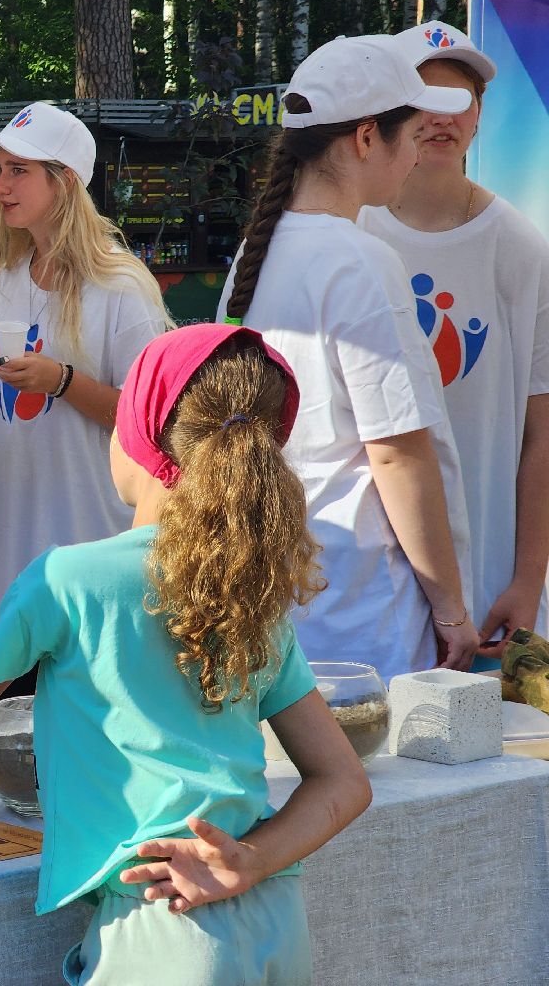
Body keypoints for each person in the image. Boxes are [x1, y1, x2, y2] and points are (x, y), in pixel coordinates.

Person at [0, 324, 371, 986]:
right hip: (275, 922)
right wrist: (249, 859)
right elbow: (344, 781)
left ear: (137, 437)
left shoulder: (67, 580)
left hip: (160, 924)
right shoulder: (250, 600)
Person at [216, 34, 477, 681]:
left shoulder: (257, 252)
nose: (418, 154)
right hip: (364, 613)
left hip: (276, 600)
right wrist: (449, 607)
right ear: (366, 139)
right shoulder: (362, 260)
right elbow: (396, 451)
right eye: (412, 134)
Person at [0, 102, 172, 695]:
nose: (0, 185)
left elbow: (156, 423)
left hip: (83, 550)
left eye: (18, 170)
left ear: (65, 181)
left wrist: (64, 382)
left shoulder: (119, 286)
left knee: (77, 738)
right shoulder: (3, 281)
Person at [360, 21, 549, 662]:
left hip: (491, 586)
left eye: (459, 101)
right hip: (365, 581)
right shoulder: (347, 235)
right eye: (423, 99)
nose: (442, 119)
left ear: (478, 117)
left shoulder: (523, 249)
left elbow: (541, 435)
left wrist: (527, 581)